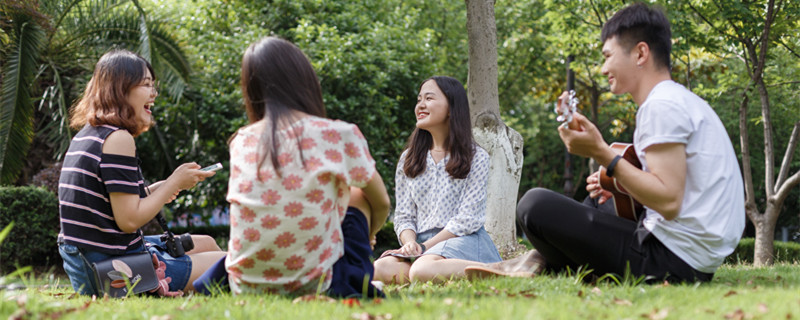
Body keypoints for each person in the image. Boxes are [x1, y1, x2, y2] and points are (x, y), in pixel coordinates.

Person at [465, 3, 745, 283]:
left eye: (608, 56)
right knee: (601, 199)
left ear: (640, 53)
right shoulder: (679, 100)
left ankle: (540, 261)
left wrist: (603, 154)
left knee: (534, 205)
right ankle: (538, 261)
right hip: (691, 256)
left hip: (671, 260)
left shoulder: (662, 106)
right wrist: (621, 184)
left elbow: (670, 201)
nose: (603, 69)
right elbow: (681, 189)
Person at [224, 37, 391, 297]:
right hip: (318, 283)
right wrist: (371, 234)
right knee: (359, 194)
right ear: (304, 81)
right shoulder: (337, 134)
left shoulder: (241, 140)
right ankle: (356, 276)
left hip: (245, 285)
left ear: (252, 90)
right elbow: (381, 202)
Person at [57, 49, 227, 296]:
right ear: (121, 89)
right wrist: (173, 183)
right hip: (111, 272)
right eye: (146, 85)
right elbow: (128, 221)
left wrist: (160, 187)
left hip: (89, 263)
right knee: (226, 263)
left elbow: (110, 203)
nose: (154, 93)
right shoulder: (118, 139)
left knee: (208, 243)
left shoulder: (89, 134)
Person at [372, 76, 502, 284]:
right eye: (419, 99)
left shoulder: (476, 157)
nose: (421, 105)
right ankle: (426, 267)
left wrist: (426, 248)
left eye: (429, 98)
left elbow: (468, 219)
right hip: (423, 245)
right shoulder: (409, 158)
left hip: (462, 240)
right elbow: (404, 215)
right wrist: (410, 243)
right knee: (381, 268)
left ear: (451, 108)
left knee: (423, 270)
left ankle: (500, 268)